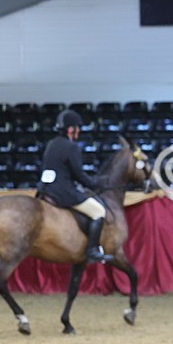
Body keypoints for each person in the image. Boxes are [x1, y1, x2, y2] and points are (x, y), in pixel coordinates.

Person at [37, 109, 112, 263]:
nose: (79, 130)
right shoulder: (72, 147)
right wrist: (95, 184)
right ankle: (92, 251)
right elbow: (79, 174)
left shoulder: (51, 144)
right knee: (98, 211)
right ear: (71, 129)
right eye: (78, 127)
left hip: (45, 190)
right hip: (62, 193)